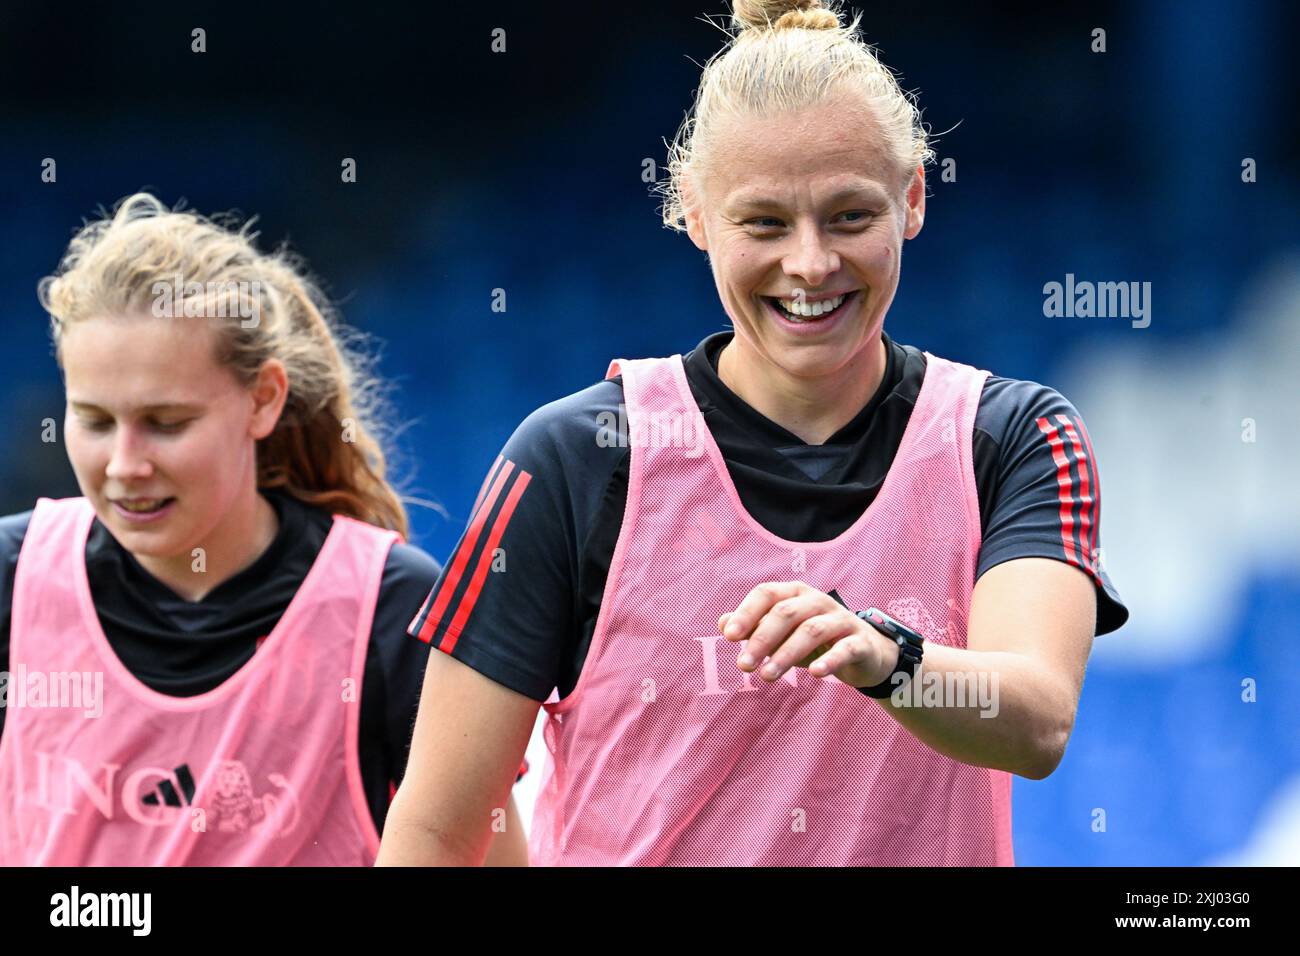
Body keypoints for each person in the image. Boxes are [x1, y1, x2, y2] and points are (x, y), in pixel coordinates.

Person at [379, 0, 1128, 866]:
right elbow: (436, 830)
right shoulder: (573, 459)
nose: (810, 264)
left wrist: (886, 657)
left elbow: (1035, 720)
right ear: (693, 213)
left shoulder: (1015, 437)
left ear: (913, 197)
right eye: (764, 223)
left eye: (849, 215)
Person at [0, 193, 527, 866]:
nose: (125, 465)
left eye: (166, 423)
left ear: (264, 399)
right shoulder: (12, 576)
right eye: (95, 421)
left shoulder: (390, 609)